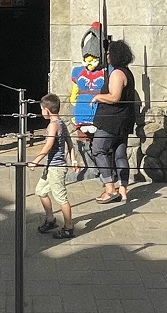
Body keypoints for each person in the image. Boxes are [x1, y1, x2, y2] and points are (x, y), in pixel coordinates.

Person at [90, 39, 137, 206]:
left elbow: (114, 97)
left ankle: (110, 188)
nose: (107, 56)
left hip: (112, 121)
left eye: (109, 53)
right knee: (119, 154)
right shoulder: (128, 73)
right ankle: (123, 190)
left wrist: (97, 97)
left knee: (98, 149)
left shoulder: (117, 73)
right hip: (124, 120)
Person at [34, 93, 83, 240]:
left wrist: (35, 160)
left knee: (62, 199)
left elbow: (48, 145)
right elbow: (70, 143)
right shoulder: (61, 123)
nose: (41, 112)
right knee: (40, 191)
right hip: (50, 167)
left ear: (47, 110)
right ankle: (51, 220)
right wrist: (73, 160)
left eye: (42, 109)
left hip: (56, 168)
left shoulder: (53, 126)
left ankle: (69, 227)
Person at [70, 45, 107, 167]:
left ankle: (101, 169)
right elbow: (75, 91)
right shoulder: (78, 71)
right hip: (81, 111)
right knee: (83, 141)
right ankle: (89, 168)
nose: (90, 62)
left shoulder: (106, 71)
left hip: (99, 111)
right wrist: (73, 103)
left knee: (100, 144)